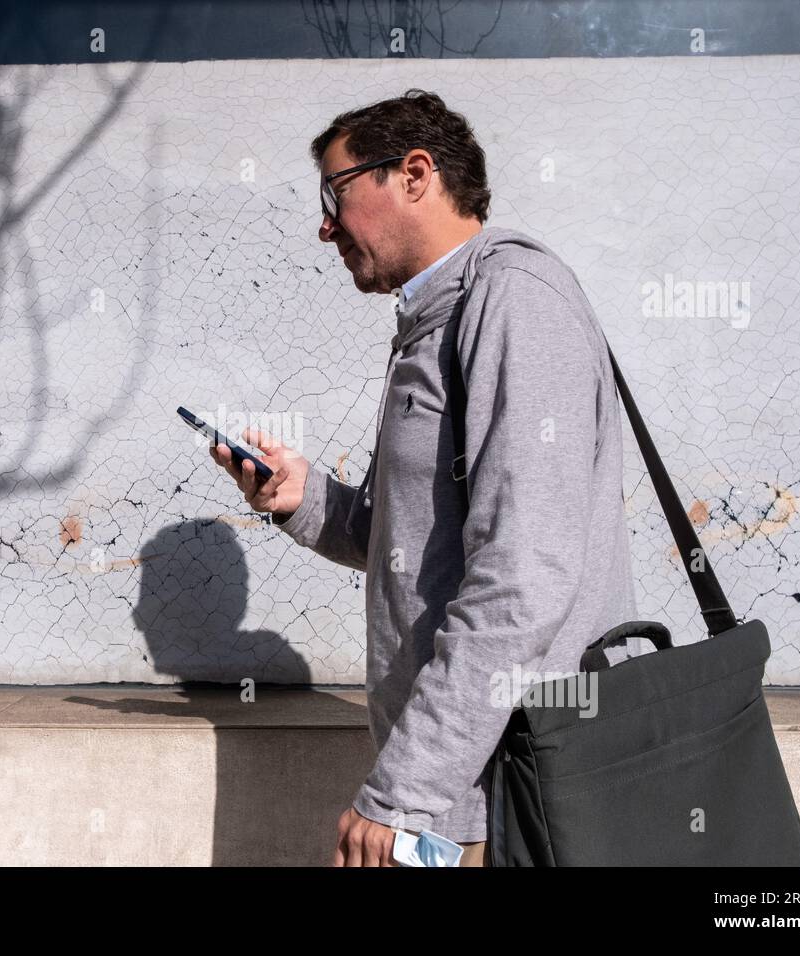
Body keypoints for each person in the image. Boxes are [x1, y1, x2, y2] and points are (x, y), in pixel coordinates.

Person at [209, 90, 637, 866]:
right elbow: (420, 547)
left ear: (414, 174)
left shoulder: (513, 303)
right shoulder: (436, 317)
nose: (325, 225)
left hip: (504, 797)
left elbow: (523, 577)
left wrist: (404, 791)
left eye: (334, 194)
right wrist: (302, 499)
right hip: (460, 795)